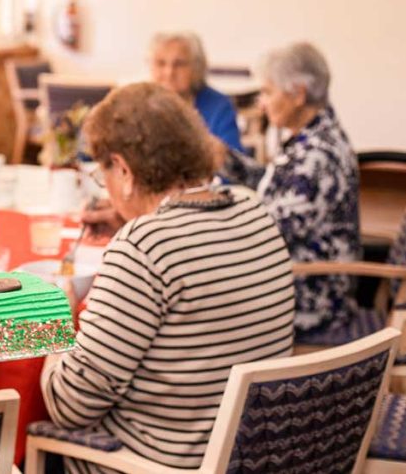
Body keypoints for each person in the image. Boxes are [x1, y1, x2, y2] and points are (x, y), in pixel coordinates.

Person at [42, 82, 294, 472]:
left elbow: (68, 405)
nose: (104, 187)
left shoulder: (143, 248)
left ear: (124, 170)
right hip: (251, 455)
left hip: (157, 463)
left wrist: (57, 315)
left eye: (102, 174)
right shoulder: (253, 208)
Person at [222, 42, 360, 339]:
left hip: (310, 302)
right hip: (302, 285)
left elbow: (264, 229)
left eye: (268, 92)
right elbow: (280, 187)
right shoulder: (314, 139)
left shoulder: (318, 155)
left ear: (298, 95)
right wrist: (224, 160)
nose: (262, 103)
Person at [149, 31, 244, 151]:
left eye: (179, 64)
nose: (169, 73)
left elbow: (233, 160)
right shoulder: (140, 106)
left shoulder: (219, 106)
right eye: (161, 63)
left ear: (197, 67)